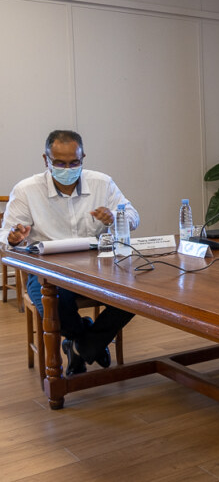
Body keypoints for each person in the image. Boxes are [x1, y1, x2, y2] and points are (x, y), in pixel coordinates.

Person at [0, 130, 139, 376]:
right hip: (48, 269)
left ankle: (81, 346)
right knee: (52, 301)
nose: (68, 168)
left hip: (99, 266)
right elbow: (5, 239)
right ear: (46, 160)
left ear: (83, 157)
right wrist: (14, 238)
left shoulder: (102, 183)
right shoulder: (26, 190)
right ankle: (87, 342)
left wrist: (117, 218)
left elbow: (133, 216)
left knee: (136, 294)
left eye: (74, 162)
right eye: (60, 163)